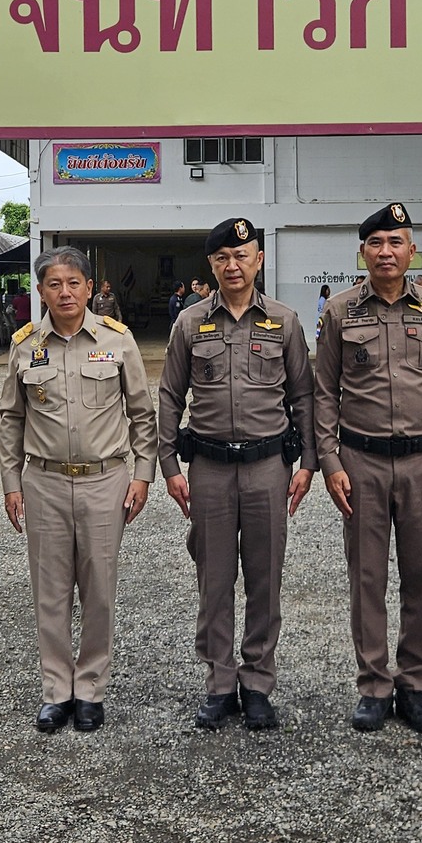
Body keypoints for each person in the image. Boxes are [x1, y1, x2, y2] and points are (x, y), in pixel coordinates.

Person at [313, 202, 422, 735]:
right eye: (376, 243)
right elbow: (324, 393)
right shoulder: (340, 312)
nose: (386, 252)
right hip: (361, 464)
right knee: (367, 578)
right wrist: (330, 461)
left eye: (395, 242)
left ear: (411, 250)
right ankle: (374, 685)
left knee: (421, 574)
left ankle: (416, 684)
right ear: (362, 252)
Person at [158, 217, 315, 731]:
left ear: (258, 260)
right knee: (215, 579)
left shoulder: (284, 321)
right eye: (223, 257)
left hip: (269, 467)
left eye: (242, 255)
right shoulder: (190, 323)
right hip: (209, 469)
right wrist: (169, 464)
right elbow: (169, 395)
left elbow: (303, 396)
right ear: (212, 264)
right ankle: (221, 683)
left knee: (265, 579)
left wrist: (308, 462)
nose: (233, 265)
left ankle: (258, 683)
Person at [0, 246, 156, 733]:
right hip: (43, 481)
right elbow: (11, 419)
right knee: (49, 591)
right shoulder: (25, 345)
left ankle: (89, 689)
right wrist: (10, 483)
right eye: (54, 284)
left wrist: (142, 474)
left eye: (73, 283)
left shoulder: (117, 340)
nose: (64, 292)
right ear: (41, 291)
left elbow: (142, 413)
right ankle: (56, 691)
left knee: (99, 590)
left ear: (89, 288)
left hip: (104, 481)